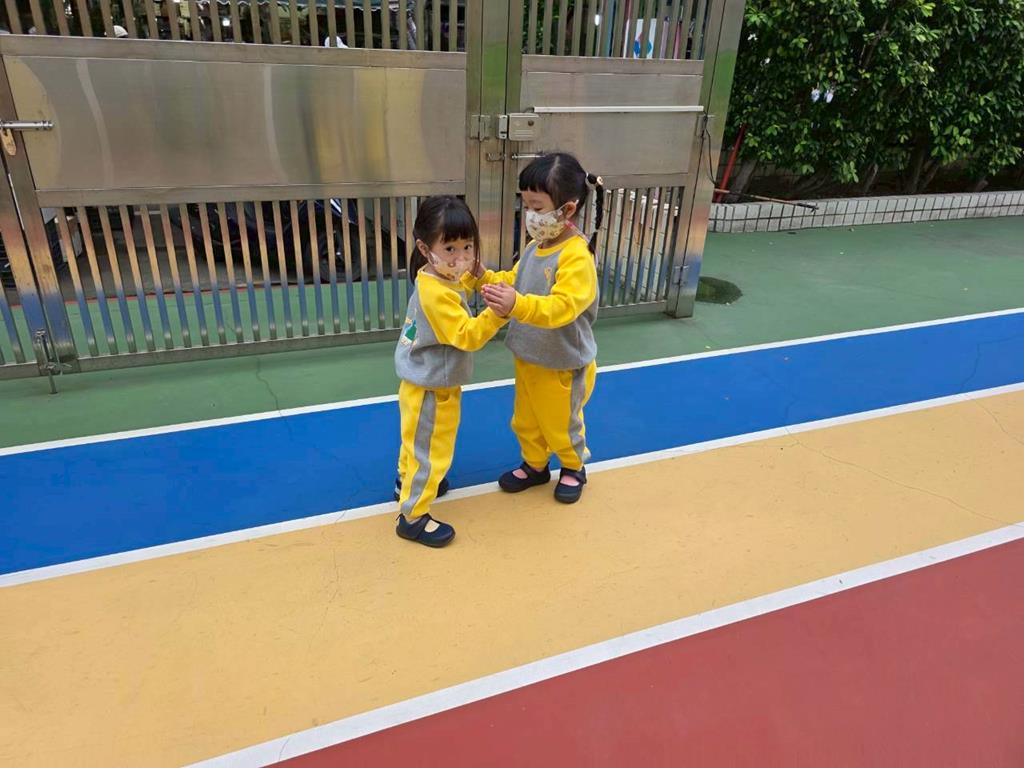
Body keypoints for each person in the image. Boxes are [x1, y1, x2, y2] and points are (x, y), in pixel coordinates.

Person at [472, 152, 604, 504]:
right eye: (526, 204)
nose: (530, 214)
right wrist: (483, 277)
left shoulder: (577, 256)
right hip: (529, 355)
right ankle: (535, 464)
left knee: (561, 422)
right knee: (526, 420)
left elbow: (562, 307)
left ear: (567, 209)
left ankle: (573, 467)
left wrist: (517, 305)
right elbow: (514, 281)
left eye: (537, 207)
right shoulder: (537, 246)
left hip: (562, 363)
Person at [394, 196, 508, 547]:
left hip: (422, 380)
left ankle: (405, 481)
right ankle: (413, 517)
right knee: (430, 451)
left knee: (416, 443)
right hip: (433, 387)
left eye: (468, 247)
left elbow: (462, 279)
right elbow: (467, 335)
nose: (461, 258)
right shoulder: (438, 294)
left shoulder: (433, 276)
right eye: (450, 249)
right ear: (424, 249)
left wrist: (478, 277)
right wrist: (497, 314)